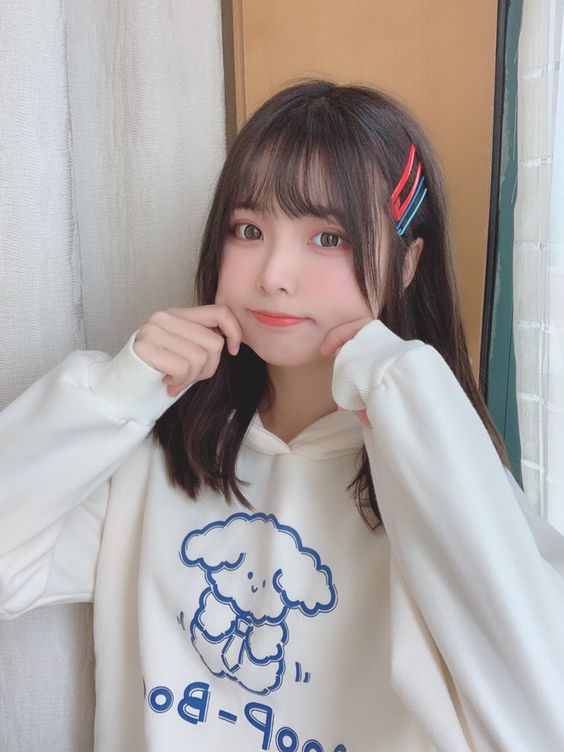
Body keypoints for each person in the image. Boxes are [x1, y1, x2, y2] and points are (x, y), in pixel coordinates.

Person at [1, 79, 563, 752]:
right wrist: (111, 396)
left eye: (329, 237)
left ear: (407, 264)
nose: (274, 274)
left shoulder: (442, 486)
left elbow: (539, 719)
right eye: (249, 230)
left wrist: (408, 390)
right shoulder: (154, 460)